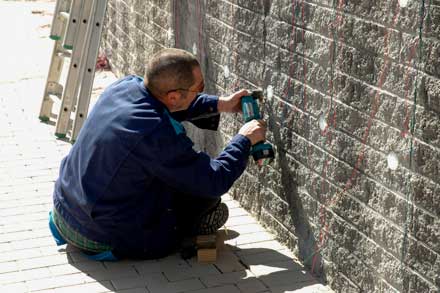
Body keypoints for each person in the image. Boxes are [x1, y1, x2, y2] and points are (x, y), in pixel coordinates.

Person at [48, 48, 267, 260]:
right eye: (198, 89)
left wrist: (222, 104)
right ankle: (188, 229)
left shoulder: (126, 87)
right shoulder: (154, 133)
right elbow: (214, 179)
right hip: (99, 235)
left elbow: (168, 105)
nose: (201, 91)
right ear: (173, 96)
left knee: (173, 177)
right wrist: (244, 139)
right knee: (203, 196)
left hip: (65, 209)